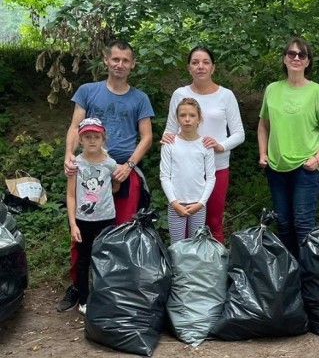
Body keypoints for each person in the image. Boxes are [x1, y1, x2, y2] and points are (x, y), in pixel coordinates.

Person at [58, 39, 154, 312]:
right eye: (115, 59)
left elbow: (147, 137)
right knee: (81, 231)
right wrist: (68, 156)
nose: (120, 64)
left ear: (132, 64)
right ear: (106, 61)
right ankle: (79, 287)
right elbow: (75, 126)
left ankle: (116, 289)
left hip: (122, 170)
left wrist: (130, 165)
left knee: (120, 231)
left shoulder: (140, 98)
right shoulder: (88, 91)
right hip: (87, 168)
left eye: (125, 60)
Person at [258, 36, 319, 257]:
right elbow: (263, 125)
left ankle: (308, 281)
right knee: (283, 223)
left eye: (301, 55)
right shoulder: (272, 89)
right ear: (284, 59)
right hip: (276, 167)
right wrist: (263, 153)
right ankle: (289, 276)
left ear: (308, 62)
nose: (296, 58)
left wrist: (318, 158)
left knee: (303, 224)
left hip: (305, 168)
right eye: (291, 54)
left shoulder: (316, 91)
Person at [162, 45, 245, 243]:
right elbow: (170, 129)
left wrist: (220, 145)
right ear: (189, 67)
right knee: (182, 221)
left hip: (216, 167)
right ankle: (184, 267)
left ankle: (215, 268)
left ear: (213, 67)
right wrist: (166, 138)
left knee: (214, 222)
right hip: (184, 171)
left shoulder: (226, 95)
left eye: (206, 62)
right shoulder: (179, 94)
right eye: (195, 62)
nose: (201, 66)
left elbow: (239, 134)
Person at [66, 117, 120, 316]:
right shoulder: (75, 164)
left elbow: (116, 186)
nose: (91, 140)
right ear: (80, 140)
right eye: (87, 136)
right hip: (83, 220)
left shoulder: (110, 164)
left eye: (96, 136)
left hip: (106, 219)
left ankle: (105, 297)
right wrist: (73, 224)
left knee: (106, 259)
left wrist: (113, 187)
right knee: (83, 260)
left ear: (102, 139)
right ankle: (84, 298)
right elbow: (71, 195)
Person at [160, 98, 216, 243]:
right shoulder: (169, 144)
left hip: (198, 204)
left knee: (196, 244)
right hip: (176, 204)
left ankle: (194, 267)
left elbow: (211, 177)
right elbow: (164, 176)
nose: (187, 120)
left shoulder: (206, 145)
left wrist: (201, 203)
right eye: (182, 115)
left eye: (192, 115)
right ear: (177, 118)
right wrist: (174, 202)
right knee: (177, 245)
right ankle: (176, 267)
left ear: (199, 119)